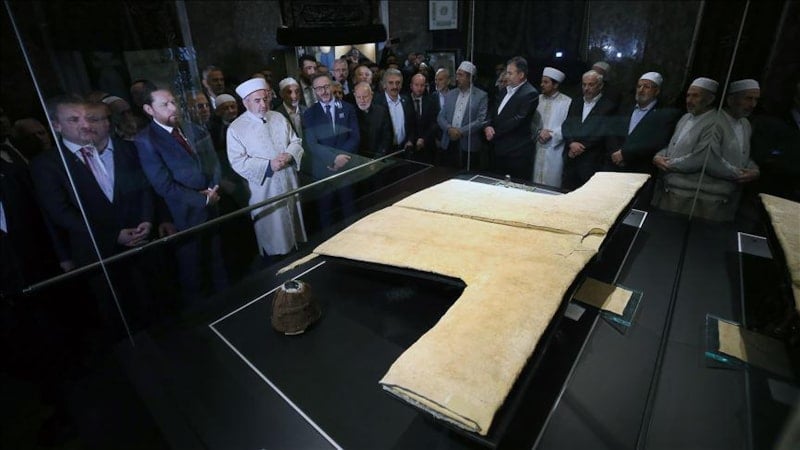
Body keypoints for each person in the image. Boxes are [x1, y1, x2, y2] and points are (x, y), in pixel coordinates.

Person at [31, 97, 159, 336]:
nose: (85, 125)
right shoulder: (46, 165)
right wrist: (113, 235)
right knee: (116, 318)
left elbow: (142, 188)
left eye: (89, 118)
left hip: (140, 244)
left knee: (152, 307)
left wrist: (147, 219)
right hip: (96, 254)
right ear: (56, 125)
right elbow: (60, 212)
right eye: (73, 119)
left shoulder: (120, 150)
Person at [134, 85, 227, 307]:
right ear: (148, 109)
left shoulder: (192, 128)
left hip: (212, 206)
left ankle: (228, 304)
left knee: (217, 261)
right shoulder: (146, 140)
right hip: (184, 215)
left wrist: (213, 189)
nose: (173, 108)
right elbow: (163, 184)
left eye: (173, 102)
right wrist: (202, 199)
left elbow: (213, 161)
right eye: (165, 104)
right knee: (193, 270)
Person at [227, 77, 306, 262]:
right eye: (257, 100)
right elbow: (237, 161)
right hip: (265, 188)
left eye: (266, 98)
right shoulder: (236, 128)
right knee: (274, 236)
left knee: (295, 234)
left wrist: (289, 155)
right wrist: (269, 166)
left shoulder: (278, 117)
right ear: (245, 102)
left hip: (288, 181)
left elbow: (295, 141)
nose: (263, 104)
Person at [652, 77, 721, 219]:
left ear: (710, 99)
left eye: (695, 96)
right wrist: (658, 156)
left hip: (688, 195)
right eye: (688, 96)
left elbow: (699, 159)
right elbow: (672, 145)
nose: (689, 100)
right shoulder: (685, 118)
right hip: (668, 188)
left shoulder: (715, 122)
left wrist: (668, 164)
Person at [302, 73, 360, 229]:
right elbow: (311, 144)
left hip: (346, 168)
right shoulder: (309, 114)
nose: (324, 91)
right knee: (325, 215)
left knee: (350, 211)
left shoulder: (348, 108)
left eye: (326, 86)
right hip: (323, 171)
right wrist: (333, 159)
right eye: (319, 88)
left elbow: (355, 137)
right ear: (314, 90)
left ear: (332, 86)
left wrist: (341, 158)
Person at [703, 79, 761, 221]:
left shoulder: (745, 124)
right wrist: (739, 174)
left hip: (730, 200)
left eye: (756, 100)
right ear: (731, 100)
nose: (753, 105)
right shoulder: (714, 121)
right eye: (748, 99)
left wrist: (754, 170)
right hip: (708, 197)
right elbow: (710, 159)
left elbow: (744, 155)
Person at [605, 72, 680, 175]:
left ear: (657, 91)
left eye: (646, 87)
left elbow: (656, 142)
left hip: (640, 169)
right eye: (639, 86)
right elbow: (611, 133)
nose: (641, 90)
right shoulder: (625, 109)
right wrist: (615, 154)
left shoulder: (664, 114)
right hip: (614, 166)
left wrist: (625, 154)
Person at [562, 69, 618, 190]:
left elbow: (601, 132)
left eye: (591, 85)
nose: (586, 88)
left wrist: (579, 147)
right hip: (571, 160)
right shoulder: (576, 102)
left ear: (600, 86)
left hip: (591, 161)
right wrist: (571, 143)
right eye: (584, 85)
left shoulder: (608, 106)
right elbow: (566, 125)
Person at [484, 56, 539, 180]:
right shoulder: (504, 90)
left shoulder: (530, 93)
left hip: (516, 153)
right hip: (497, 148)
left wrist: (495, 130)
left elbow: (518, 120)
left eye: (510, 73)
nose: (506, 76)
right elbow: (492, 110)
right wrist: (488, 125)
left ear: (521, 75)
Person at [437, 61, 488, 170]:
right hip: (449, 141)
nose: (457, 78)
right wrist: (449, 129)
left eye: (460, 75)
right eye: (456, 75)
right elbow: (440, 117)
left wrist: (460, 132)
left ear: (470, 78)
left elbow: (481, 120)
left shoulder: (481, 96)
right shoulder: (450, 94)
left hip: (469, 144)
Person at [532, 67, 572, 188]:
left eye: (546, 82)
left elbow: (568, 125)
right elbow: (531, 122)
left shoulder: (567, 102)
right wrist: (539, 132)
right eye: (542, 81)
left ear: (555, 85)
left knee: (552, 183)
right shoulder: (537, 99)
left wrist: (552, 134)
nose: (542, 85)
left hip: (555, 148)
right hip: (537, 145)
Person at [354, 81, 393, 159]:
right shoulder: (351, 113)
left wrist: (377, 158)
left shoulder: (382, 111)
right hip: (358, 159)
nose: (362, 100)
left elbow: (387, 137)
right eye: (358, 97)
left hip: (378, 158)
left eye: (365, 96)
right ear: (355, 96)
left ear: (371, 95)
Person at [407, 73, 441, 164]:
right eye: (416, 85)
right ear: (411, 86)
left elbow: (434, 123)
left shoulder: (431, 101)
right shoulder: (404, 100)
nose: (419, 88)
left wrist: (423, 138)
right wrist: (410, 140)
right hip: (409, 146)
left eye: (422, 85)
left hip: (427, 145)